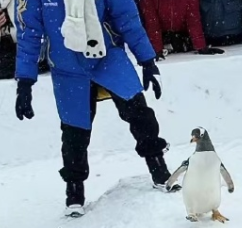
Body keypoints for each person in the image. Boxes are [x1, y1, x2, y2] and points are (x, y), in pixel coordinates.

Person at [15, 0, 176, 216]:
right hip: (67, 69)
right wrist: (25, 82)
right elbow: (29, 33)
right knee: (74, 132)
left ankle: (158, 166)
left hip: (108, 58)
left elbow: (126, 18)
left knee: (139, 113)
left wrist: (147, 61)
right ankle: (74, 190)